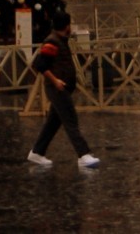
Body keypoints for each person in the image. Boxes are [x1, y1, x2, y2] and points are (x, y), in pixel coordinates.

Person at [27, 14, 97, 169]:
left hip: (62, 87)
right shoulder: (52, 42)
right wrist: (55, 80)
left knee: (53, 123)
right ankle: (83, 154)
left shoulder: (60, 41)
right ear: (66, 26)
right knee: (70, 119)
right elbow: (40, 64)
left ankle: (37, 152)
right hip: (57, 88)